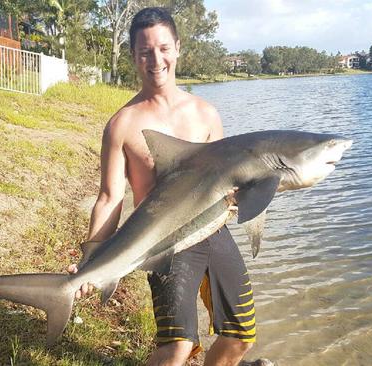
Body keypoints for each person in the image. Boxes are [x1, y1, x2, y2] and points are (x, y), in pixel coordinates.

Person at [68, 7, 269, 366]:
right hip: (162, 243)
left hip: (214, 230)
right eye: (145, 51)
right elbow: (110, 198)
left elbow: (230, 185)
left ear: (177, 48)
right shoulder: (122, 125)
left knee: (241, 338)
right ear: (133, 56)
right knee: (177, 347)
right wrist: (93, 259)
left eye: (163, 48)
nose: (155, 59)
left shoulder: (206, 114)